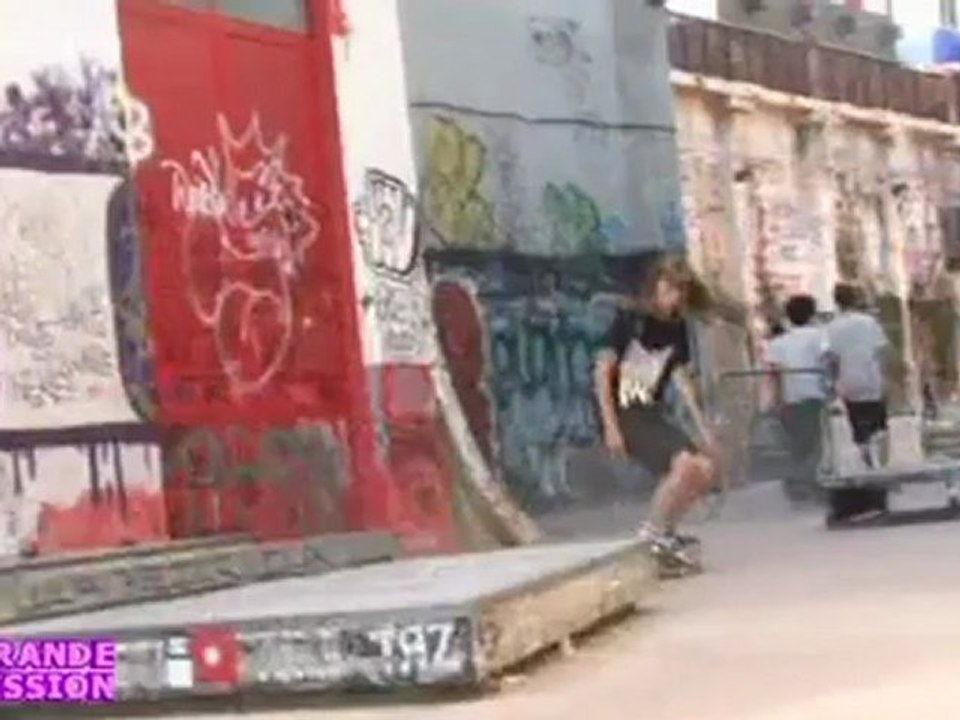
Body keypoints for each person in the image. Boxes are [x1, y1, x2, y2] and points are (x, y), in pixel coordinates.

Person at [594, 255, 717, 566]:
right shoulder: (629, 320)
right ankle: (648, 537)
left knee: (703, 470)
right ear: (654, 286)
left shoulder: (677, 329)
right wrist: (610, 426)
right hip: (623, 410)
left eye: (679, 291)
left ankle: (666, 532)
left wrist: (704, 430)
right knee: (684, 464)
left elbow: (681, 380)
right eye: (668, 288)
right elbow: (602, 371)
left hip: (651, 411)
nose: (672, 297)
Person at [824, 283, 891, 521]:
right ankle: (881, 482)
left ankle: (865, 481)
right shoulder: (868, 323)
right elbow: (881, 353)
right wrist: (886, 380)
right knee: (879, 433)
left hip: (848, 384)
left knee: (858, 435)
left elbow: (831, 358)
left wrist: (833, 386)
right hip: (872, 382)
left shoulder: (832, 327)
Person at [765, 295, 829, 503]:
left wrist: (775, 402)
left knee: (799, 445)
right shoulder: (821, 337)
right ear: (812, 313)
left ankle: (800, 484)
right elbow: (829, 362)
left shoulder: (779, 343)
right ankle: (815, 483)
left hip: (792, 398)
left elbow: (775, 375)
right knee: (821, 442)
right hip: (818, 395)